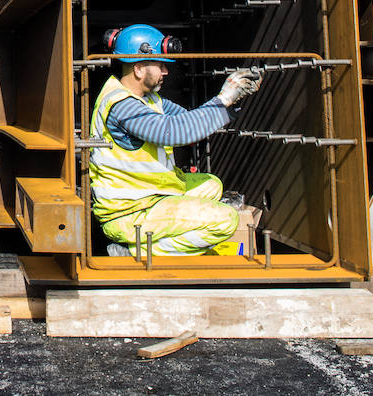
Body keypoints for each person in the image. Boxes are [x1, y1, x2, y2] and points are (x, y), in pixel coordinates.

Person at [88, 23, 261, 257]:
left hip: (146, 195)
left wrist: (231, 103)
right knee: (226, 221)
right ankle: (133, 251)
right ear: (138, 69)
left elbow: (188, 121)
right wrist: (223, 99)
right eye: (160, 65)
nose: (166, 72)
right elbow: (174, 131)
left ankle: (167, 231)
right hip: (129, 211)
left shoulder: (148, 99)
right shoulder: (123, 106)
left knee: (212, 185)